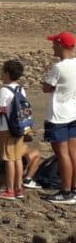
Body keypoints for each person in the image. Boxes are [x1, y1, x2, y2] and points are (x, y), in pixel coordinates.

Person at [42, 32, 76, 204]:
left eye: (55, 43)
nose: (52, 46)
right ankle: (73, 188)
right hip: (73, 112)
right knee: (73, 153)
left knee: (62, 154)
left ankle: (66, 190)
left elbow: (46, 87)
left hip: (59, 116)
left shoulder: (59, 67)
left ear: (61, 45)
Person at [0, 59, 27, 200]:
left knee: (8, 159)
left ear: (7, 73)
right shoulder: (21, 89)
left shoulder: (4, 90)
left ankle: (9, 190)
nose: (0, 73)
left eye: (2, 71)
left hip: (6, 128)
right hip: (19, 127)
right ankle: (19, 188)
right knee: (17, 158)